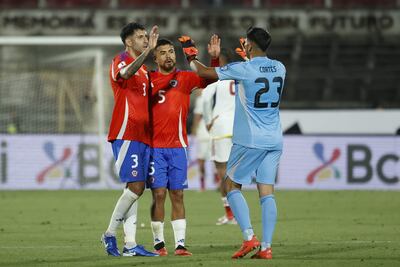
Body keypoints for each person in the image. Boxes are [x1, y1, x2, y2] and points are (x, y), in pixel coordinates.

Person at [179, 27, 286, 260]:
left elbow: (205, 72)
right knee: (266, 192)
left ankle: (249, 238)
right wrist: (249, 55)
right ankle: (266, 248)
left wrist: (190, 56)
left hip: (250, 139)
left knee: (230, 185)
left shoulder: (244, 69)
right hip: (274, 138)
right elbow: (259, 71)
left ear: (249, 45)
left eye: (247, 43)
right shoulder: (280, 67)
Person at [148, 38, 219, 256]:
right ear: (155, 57)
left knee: (177, 194)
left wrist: (214, 58)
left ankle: (180, 244)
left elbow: (212, 78)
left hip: (178, 148)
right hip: (154, 148)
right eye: (163, 52)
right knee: (158, 194)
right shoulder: (148, 79)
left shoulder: (185, 78)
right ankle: (159, 244)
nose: (168, 56)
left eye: (171, 51)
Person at [101, 22, 159, 257]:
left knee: (135, 188)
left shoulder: (146, 71)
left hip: (143, 135)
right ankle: (109, 233)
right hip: (126, 131)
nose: (145, 40)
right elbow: (125, 74)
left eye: (146, 37)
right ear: (129, 42)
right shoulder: (121, 60)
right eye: (140, 37)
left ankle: (131, 244)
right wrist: (147, 53)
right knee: (135, 187)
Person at [201, 48, 242, 226]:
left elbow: (204, 99)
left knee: (222, 172)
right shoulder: (241, 78)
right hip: (240, 128)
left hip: (221, 127)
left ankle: (230, 214)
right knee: (235, 173)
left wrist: (208, 120)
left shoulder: (218, 79)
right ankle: (239, 213)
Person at [191, 92, 212, 192]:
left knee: (201, 160)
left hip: (204, 133)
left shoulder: (201, 99)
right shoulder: (215, 94)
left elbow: (197, 116)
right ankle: (219, 182)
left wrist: (194, 130)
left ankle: (202, 185)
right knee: (217, 160)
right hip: (217, 132)